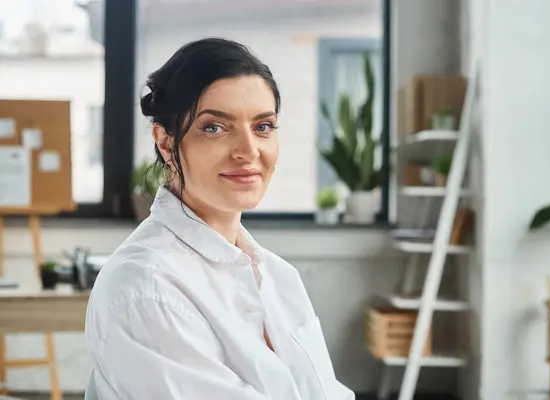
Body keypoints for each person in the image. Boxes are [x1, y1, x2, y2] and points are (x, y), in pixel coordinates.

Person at [84, 38, 355, 400]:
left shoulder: (278, 277)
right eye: (214, 127)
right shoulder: (147, 289)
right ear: (166, 143)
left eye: (263, 127)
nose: (248, 151)